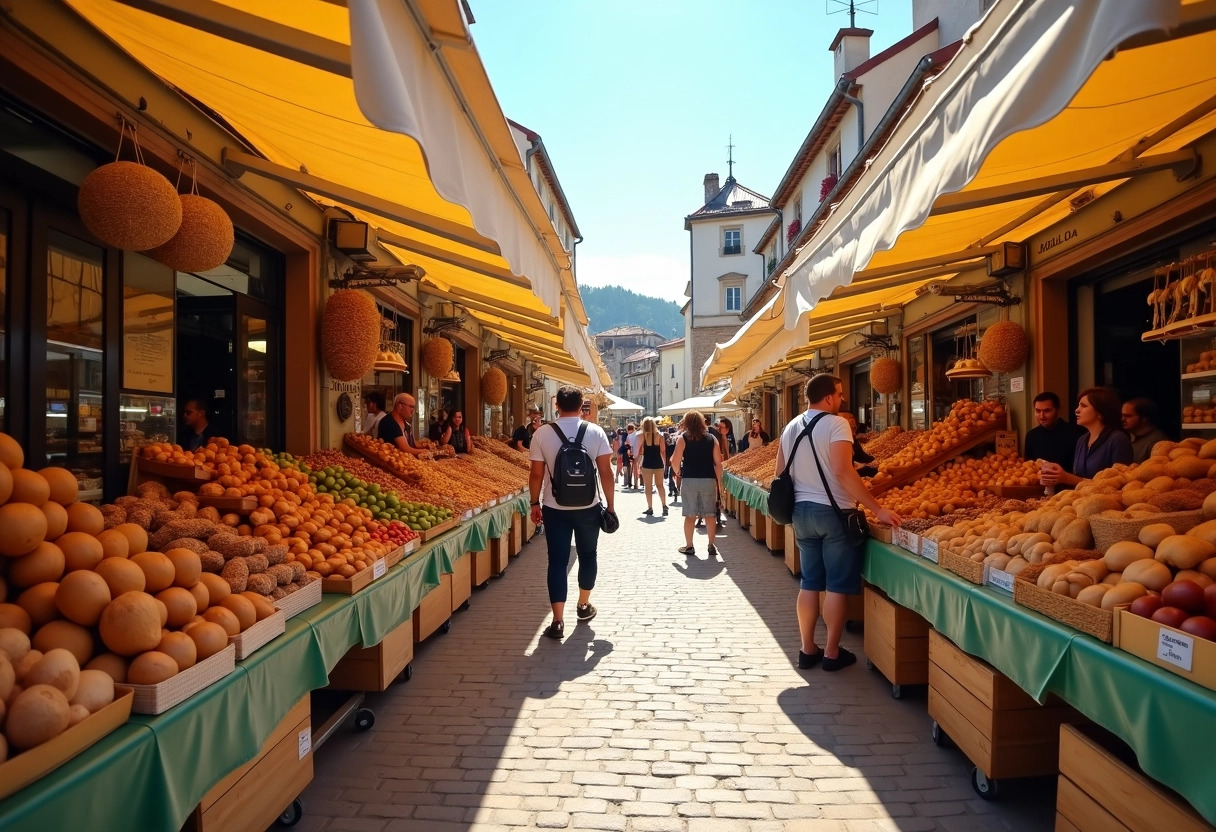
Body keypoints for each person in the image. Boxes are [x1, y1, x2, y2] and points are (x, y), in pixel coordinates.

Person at [776, 373, 901, 673]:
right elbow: (844, 472)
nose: (843, 399)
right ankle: (832, 653)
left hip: (801, 513)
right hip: (834, 513)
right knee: (835, 587)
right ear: (829, 397)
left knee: (809, 583)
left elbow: (781, 473)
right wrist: (877, 508)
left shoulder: (791, 426)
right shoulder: (837, 424)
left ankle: (807, 649)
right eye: (840, 393)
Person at [528, 385, 615, 641]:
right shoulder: (595, 431)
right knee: (588, 555)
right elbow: (607, 473)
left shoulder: (542, 433)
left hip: (555, 507)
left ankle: (557, 621)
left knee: (557, 561)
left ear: (557, 405)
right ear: (581, 406)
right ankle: (583, 606)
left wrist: (534, 503)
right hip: (589, 506)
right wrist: (610, 506)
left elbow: (535, 474)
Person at [1040, 387, 1134, 488]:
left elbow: (1120, 484)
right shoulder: (1082, 440)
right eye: (1078, 405)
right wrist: (1057, 476)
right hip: (1081, 501)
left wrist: (1067, 478)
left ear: (1100, 412)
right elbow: (1079, 478)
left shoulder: (1118, 439)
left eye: (1083, 406)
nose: (1076, 410)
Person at [670, 410, 724, 558]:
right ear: (702, 422)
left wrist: (679, 472)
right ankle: (711, 544)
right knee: (710, 514)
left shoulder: (683, 438)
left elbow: (674, 462)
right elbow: (718, 463)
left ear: (686, 423)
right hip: (708, 480)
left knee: (690, 514)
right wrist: (720, 484)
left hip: (689, 480)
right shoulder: (712, 439)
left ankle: (689, 546)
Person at [1024, 392, 1085, 471]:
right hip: (1039, 482)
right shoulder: (1031, 436)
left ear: (1057, 409)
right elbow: (1029, 467)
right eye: (1038, 411)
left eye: (1047, 411)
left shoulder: (1076, 432)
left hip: (1069, 482)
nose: (1041, 416)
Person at [637, 416, 669, 516]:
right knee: (660, 485)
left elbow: (640, 451)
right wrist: (664, 464)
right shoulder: (660, 435)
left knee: (648, 487)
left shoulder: (641, 436)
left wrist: (638, 463)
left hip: (647, 464)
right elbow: (663, 451)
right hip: (658, 463)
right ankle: (664, 506)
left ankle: (650, 508)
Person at [1123, 397, 1171, 463]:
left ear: (1144, 417)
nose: (1123, 419)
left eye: (1128, 416)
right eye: (1122, 416)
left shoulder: (1156, 443)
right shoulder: (1132, 438)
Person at [840, 411, 878, 477]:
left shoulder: (852, 441)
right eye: (846, 418)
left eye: (852, 418)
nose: (852, 421)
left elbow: (863, 458)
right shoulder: (839, 444)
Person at [664, 428, 679, 499]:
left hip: (672, 461)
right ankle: (675, 489)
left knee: (671, 476)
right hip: (678, 461)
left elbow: (667, 454)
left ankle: (671, 490)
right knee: (675, 476)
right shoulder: (678, 442)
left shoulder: (669, 444)